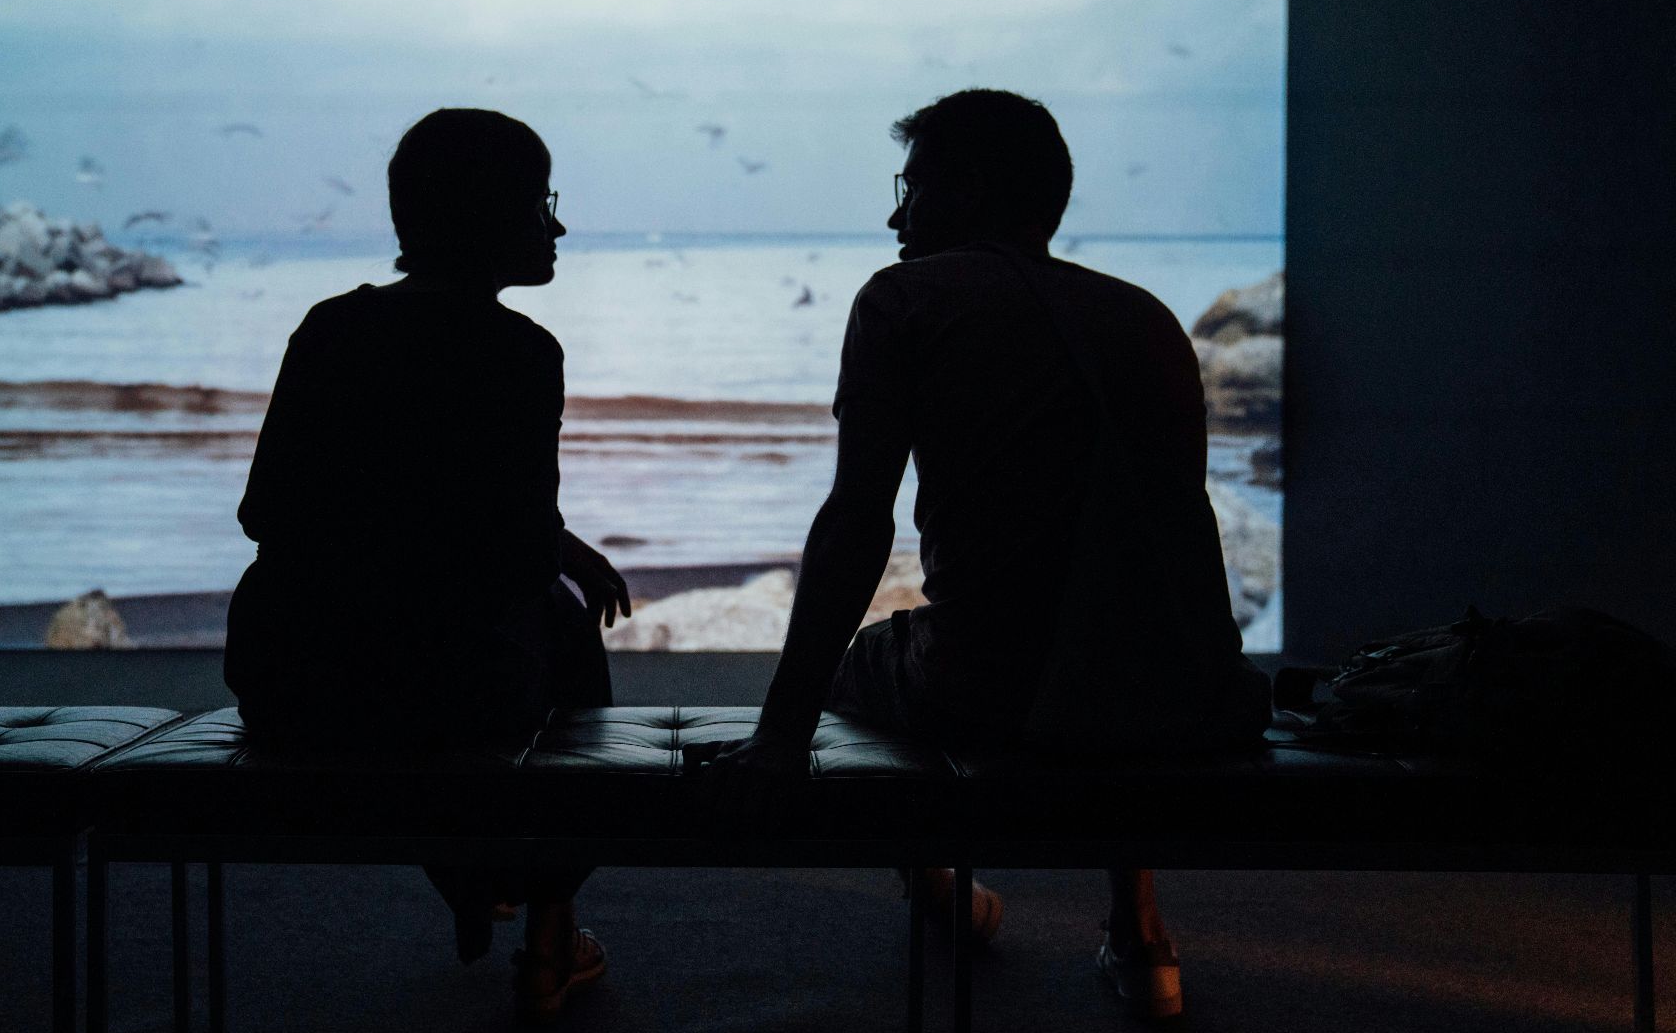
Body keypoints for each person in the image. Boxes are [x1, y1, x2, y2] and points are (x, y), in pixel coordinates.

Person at [685, 89, 1270, 1021]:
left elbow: (857, 521)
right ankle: (1139, 929)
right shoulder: (1146, 317)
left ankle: (939, 888)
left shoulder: (903, 300)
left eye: (912, 189)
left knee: (863, 663)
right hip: (1183, 691)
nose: (896, 218)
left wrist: (780, 735)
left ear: (968, 191)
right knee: (1108, 617)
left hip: (995, 690)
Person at [223, 108, 630, 1023]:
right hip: (446, 696)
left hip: (291, 681)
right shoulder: (522, 352)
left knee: (472, 636)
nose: (558, 226)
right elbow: (515, 555)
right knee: (563, 633)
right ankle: (551, 926)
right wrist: (551, 558)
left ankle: (475, 870)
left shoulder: (330, 328)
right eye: (542, 204)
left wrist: (546, 544)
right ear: (494, 215)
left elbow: (266, 512)